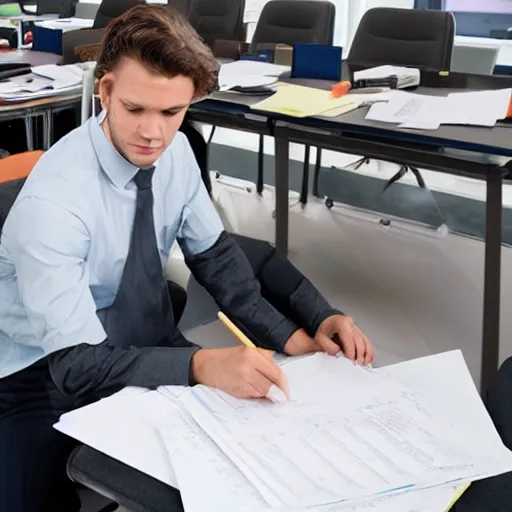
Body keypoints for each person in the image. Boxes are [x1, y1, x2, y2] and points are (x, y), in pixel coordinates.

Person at [0, 5, 374, 511]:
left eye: (171, 113)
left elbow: (218, 259)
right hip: (36, 368)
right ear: (105, 92)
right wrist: (200, 365)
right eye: (135, 109)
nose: (152, 133)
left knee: (242, 460)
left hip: (132, 332)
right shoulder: (54, 207)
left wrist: (303, 330)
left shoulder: (173, 153)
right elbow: (76, 366)